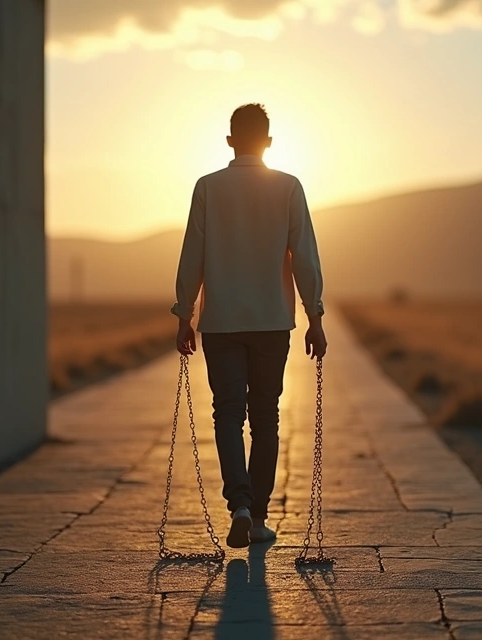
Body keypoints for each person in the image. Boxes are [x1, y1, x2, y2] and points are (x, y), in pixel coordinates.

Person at [171, 103, 327, 549]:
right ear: (270, 142)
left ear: (229, 141)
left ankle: (238, 504)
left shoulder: (207, 188)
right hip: (272, 322)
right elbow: (305, 258)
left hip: (220, 322)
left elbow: (192, 256)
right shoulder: (289, 188)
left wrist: (185, 314)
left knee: (226, 414)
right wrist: (315, 318)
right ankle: (257, 518)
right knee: (265, 417)